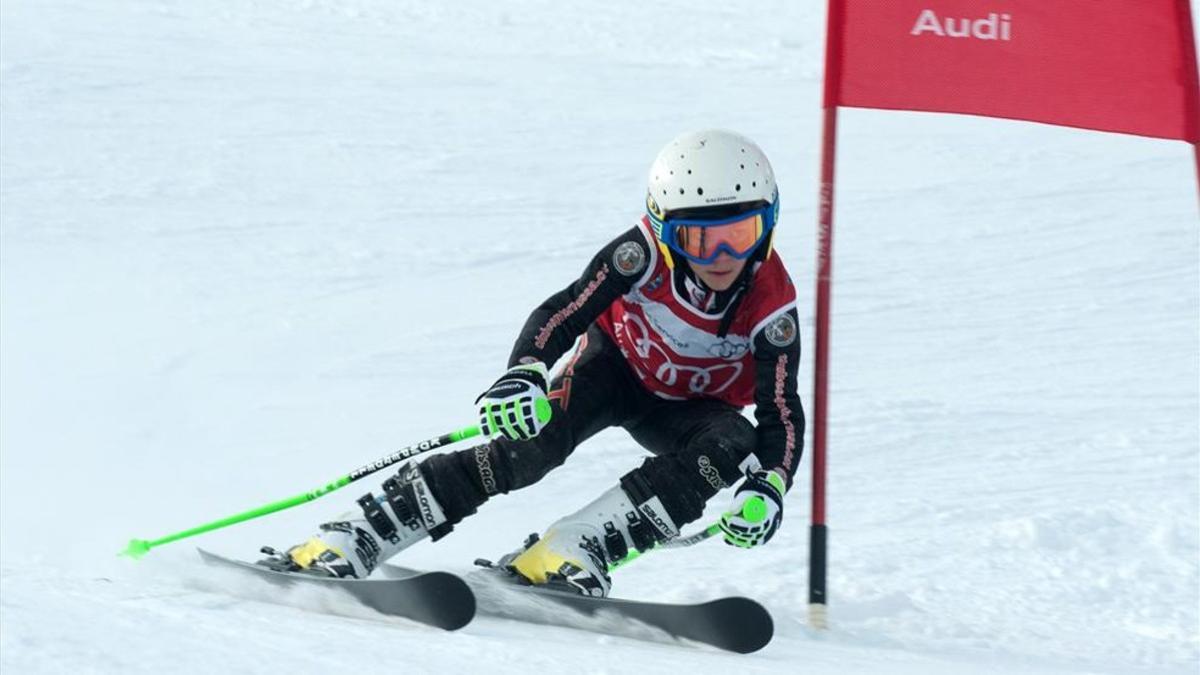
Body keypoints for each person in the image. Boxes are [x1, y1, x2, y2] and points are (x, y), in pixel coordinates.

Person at [263, 129, 806, 597]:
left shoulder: (771, 305)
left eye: (741, 234)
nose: (723, 258)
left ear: (770, 222)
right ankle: (362, 530)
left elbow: (780, 410)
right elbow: (562, 311)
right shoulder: (637, 255)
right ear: (664, 230)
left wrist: (770, 487)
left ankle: (574, 545)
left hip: (688, 412)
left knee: (735, 442)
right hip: (611, 370)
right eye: (699, 239)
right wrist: (524, 372)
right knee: (530, 450)